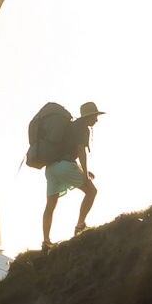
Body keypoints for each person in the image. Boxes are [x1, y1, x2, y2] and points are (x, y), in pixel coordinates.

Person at [42, 101, 103, 247]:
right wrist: (86, 175)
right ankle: (80, 225)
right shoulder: (83, 128)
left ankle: (46, 241)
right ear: (88, 116)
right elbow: (81, 150)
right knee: (92, 191)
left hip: (50, 169)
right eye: (95, 116)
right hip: (65, 166)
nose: (96, 119)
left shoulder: (68, 126)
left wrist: (84, 171)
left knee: (50, 205)